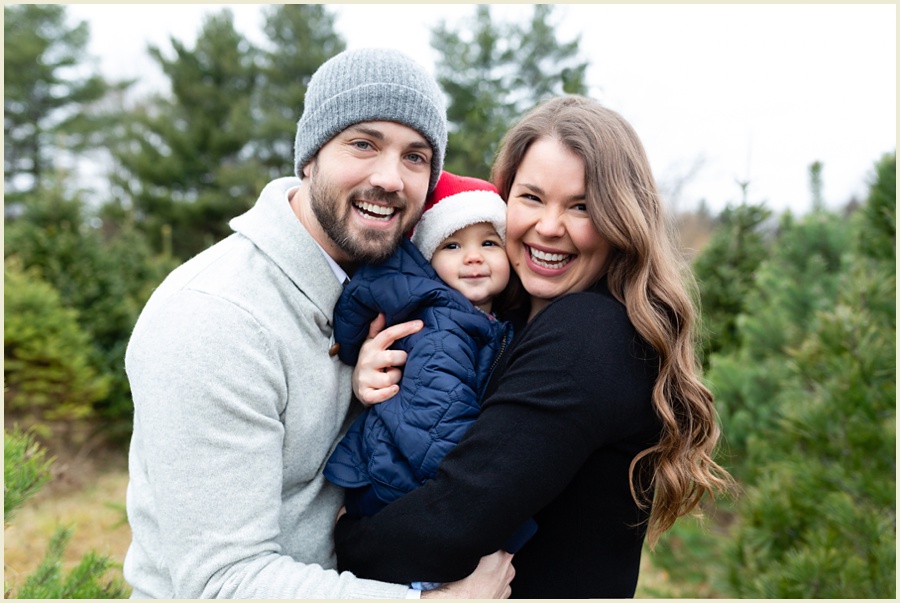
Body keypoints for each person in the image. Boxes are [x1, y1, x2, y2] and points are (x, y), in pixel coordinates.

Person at [122, 47, 515, 599]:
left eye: (416, 156)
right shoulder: (216, 316)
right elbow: (222, 581)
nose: (390, 178)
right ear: (310, 157)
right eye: (363, 143)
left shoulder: (405, 289)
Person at [333, 95, 734, 598]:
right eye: (531, 198)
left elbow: (458, 517)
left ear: (621, 220)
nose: (548, 226)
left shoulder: (588, 334)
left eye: (581, 206)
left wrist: (346, 540)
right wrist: (375, 372)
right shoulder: (504, 319)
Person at [324, 171, 537, 591]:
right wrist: (505, 516)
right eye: (452, 245)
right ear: (428, 259)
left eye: (488, 243)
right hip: (396, 487)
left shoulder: (480, 321)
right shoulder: (442, 328)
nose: (473, 257)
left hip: (404, 483)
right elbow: (437, 429)